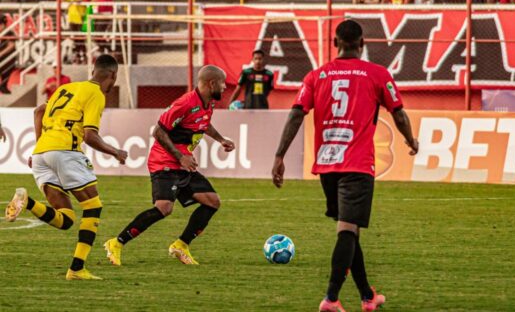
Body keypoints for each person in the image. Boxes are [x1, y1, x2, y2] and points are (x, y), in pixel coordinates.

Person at [271, 20, 419, 312]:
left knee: (350, 232)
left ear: (334, 42)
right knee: (347, 232)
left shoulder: (317, 76)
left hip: (326, 166)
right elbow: (398, 113)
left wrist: (279, 155)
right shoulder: (377, 74)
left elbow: (295, 115)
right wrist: (411, 140)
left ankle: (367, 296)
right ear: (362, 43)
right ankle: (331, 298)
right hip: (357, 165)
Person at [4, 54, 128, 280]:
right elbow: (90, 136)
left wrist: (40, 144)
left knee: (66, 219)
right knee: (93, 207)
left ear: (93, 70)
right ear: (113, 75)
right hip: (65, 152)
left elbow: (38, 111)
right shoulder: (96, 94)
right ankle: (77, 269)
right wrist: (116, 152)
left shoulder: (67, 87)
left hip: (42, 155)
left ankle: (26, 200)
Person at [104, 65, 235, 266]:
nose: (225, 86)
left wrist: (220, 139)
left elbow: (203, 123)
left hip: (182, 163)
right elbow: (158, 131)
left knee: (212, 201)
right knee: (164, 207)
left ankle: (181, 245)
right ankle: (116, 243)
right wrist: (180, 156)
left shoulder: (208, 103)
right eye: (222, 83)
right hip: (164, 161)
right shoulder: (185, 103)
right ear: (211, 83)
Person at [0, 14, 16, 94]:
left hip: (7, 58)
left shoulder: (8, 32)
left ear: (3, 24)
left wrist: (1, 53)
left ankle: (3, 86)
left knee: (7, 69)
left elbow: (11, 46)